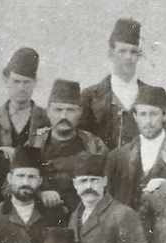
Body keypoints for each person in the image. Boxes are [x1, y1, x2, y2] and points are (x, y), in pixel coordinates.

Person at [68, 153, 146, 243]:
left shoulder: (122, 214)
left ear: (104, 181)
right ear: (75, 184)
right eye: (83, 181)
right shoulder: (74, 216)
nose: (89, 186)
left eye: (94, 180)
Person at [28, 78, 108, 221]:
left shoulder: (94, 145)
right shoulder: (34, 143)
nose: (63, 116)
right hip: (41, 218)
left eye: (70, 110)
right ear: (48, 112)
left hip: (84, 217)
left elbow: (109, 183)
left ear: (80, 113)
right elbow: (12, 185)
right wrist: (39, 193)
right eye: (58, 110)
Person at [80, 17, 154, 149]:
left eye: (133, 52)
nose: (128, 57)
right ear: (111, 54)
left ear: (139, 56)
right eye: (122, 51)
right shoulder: (89, 97)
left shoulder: (152, 96)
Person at [103, 84, 166, 210]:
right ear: (135, 117)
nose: (148, 121)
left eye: (154, 114)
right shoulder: (117, 157)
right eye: (143, 114)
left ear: (165, 115)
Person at [0, 47, 50, 150]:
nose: (21, 88)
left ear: (35, 82)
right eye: (16, 81)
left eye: (27, 82)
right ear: (6, 81)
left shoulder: (47, 118)